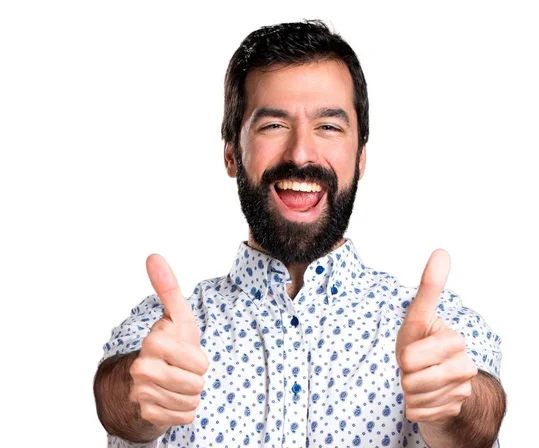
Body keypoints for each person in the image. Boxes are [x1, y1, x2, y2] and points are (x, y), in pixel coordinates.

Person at [93, 19, 506, 448]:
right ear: (232, 153)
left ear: (361, 157)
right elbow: (117, 402)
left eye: (329, 126)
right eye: (273, 125)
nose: (301, 153)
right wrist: (137, 399)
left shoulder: (439, 330)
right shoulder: (165, 330)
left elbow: (480, 416)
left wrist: (452, 413)